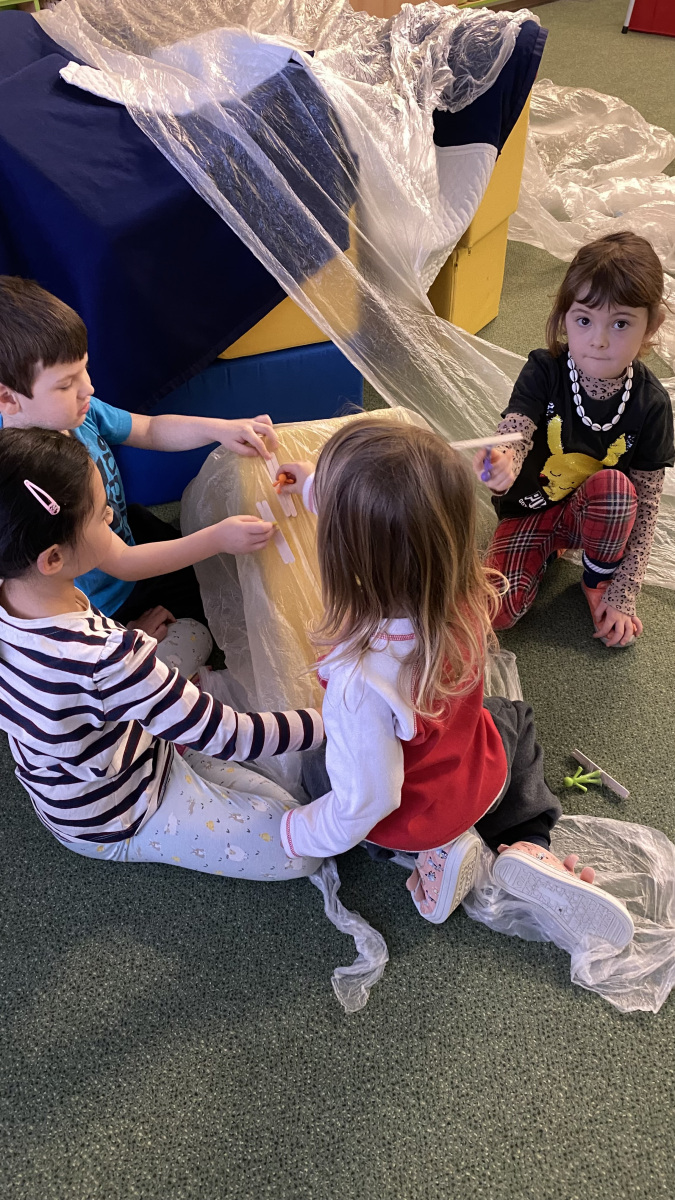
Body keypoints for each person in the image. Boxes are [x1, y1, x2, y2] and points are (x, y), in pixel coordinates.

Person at [271, 419, 634, 951]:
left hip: (411, 819)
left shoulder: (359, 676)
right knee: (513, 717)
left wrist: (296, 832)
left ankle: (432, 854)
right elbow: (391, 523)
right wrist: (312, 484)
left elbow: (364, 801)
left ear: (343, 555)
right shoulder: (466, 600)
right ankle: (528, 838)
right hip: (481, 777)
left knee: (316, 763)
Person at [0, 426, 323, 881]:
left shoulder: (19, 588)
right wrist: (330, 720)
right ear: (52, 559)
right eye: (100, 516)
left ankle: (172, 717)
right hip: (120, 809)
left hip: (105, 746)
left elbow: (60, 678)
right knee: (303, 848)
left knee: (191, 634)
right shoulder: (109, 659)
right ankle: (175, 724)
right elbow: (229, 735)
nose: (111, 515)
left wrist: (130, 637)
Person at [0, 276, 277, 645]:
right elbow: (123, 563)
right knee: (200, 627)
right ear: (7, 398)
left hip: (123, 531)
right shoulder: (28, 474)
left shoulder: (77, 412)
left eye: (84, 368)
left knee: (208, 570)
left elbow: (149, 429)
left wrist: (219, 429)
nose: (88, 388)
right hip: (108, 599)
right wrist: (218, 538)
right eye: (65, 384)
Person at [474, 232, 675, 647]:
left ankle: (594, 576)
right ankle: (548, 549)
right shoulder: (544, 369)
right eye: (584, 320)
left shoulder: (652, 404)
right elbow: (517, 427)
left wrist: (621, 591)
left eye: (620, 323)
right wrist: (502, 456)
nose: (598, 340)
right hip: (529, 509)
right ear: (564, 316)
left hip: (596, 519)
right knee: (495, 610)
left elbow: (647, 505)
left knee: (618, 491)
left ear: (652, 325)